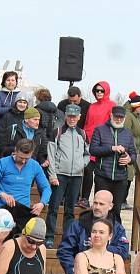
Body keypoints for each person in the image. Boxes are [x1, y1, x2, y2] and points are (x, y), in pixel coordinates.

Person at [46, 104, 89, 247]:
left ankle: (66, 239)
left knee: (70, 210)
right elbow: (51, 155)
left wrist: (81, 164)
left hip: (76, 176)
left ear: (79, 117)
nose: (72, 119)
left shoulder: (82, 134)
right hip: (60, 175)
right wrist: (52, 175)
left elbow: (87, 154)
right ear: (65, 116)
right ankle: (49, 236)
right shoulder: (57, 132)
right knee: (54, 207)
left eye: (74, 116)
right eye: (69, 116)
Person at [0, 138, 50, 230]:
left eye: (27, 159)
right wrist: (2, 194)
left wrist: (42, 203)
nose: (23, 161)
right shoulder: (2, 163)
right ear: (15, 150)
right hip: (1, 210)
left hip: (22, 212)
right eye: (21, 157)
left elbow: (46, 187)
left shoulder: (35, 165)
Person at [89, 105, 137, 219]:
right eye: (116, 117)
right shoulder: (100, 130)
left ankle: (115, 235)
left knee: (116, 210)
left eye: (121, 117)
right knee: (100, 210)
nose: (118, 119)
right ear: (111, 116)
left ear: (124, 118)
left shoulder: (128, 133)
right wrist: (112, 148)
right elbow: (93, 150)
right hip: (103, 176)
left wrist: (130, 159)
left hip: (121, 178)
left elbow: (134, 153)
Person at [78, 81, 113, 207]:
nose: (99, 93)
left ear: (107, 91)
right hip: (88, 141)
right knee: (86, 169)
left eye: (101, 90)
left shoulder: (111, 105)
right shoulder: (92, 106)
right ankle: (84, 199)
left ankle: (100, 202)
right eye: (97, 90)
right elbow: (87, 124)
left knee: (100, 174)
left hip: (102, 143)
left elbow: (112, 126)